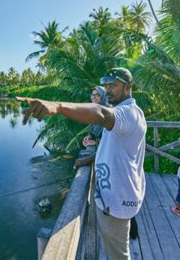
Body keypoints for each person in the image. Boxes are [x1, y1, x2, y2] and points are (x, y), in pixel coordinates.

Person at [17, 68, 146, 260]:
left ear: (129, 86)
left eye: (114, 85)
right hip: (111, 198)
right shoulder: (122, 113)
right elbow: (113, 149)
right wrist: (87, 159)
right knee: (114, 248)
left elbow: (101, 114)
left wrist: (58, 106)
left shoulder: (129, 114)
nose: (108, 89)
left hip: (118, 201)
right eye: (106, 85)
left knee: (119, 254)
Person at [74, 86, 140, 241]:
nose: (93, 97)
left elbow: (108, 144)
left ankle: (131, 231)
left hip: (115, 164)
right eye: (92, 94)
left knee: (122, 198)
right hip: (105, 164)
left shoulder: (109, 115)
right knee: (111, 197)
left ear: (103, 96)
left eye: (97, 95)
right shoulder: (96, 115)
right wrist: (88, 139)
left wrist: (85, 160)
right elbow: (94, 133)